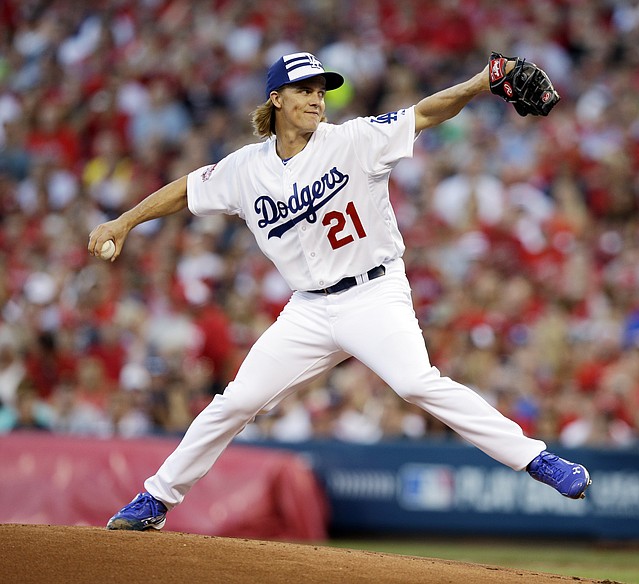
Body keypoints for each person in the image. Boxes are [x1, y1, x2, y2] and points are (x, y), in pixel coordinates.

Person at [90, 51, 590, 531]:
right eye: (303, 89)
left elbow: (426, 112)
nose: (316, 98)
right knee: (236, 401)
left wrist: (482, 82)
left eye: (321, 90)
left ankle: (537, 459)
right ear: (276, 100)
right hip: (307, 309)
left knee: (415, 382)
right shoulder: (246, 168)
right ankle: (155, 497)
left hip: (373, 293)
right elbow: (186, 189)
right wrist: (125, 221)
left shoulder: (353, 140)